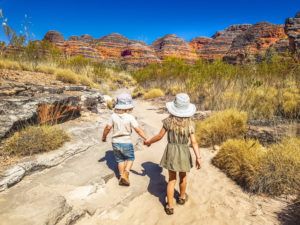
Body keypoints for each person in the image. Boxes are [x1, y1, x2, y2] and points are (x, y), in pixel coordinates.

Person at [144, 93, 201, 215]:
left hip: (171, 151)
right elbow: (194, 142)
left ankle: (170, 206)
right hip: (184, 152)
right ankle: (181, 197)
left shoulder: (168, 121)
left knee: (171, 179)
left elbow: (159, 136)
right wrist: (198, 157)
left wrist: (149, 141)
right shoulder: (190, 124)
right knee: (183, 177)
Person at [102, 93, 147, 186]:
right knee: (130, 158)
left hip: (115, 142)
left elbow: (107, 127)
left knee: (120, 160)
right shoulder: (130, 117)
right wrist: (146, 138)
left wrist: (104, 137)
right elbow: (138, 130)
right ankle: (126, 173)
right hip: (126, 142)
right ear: (128, 106)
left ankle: (121, 176)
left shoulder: (113, 116)